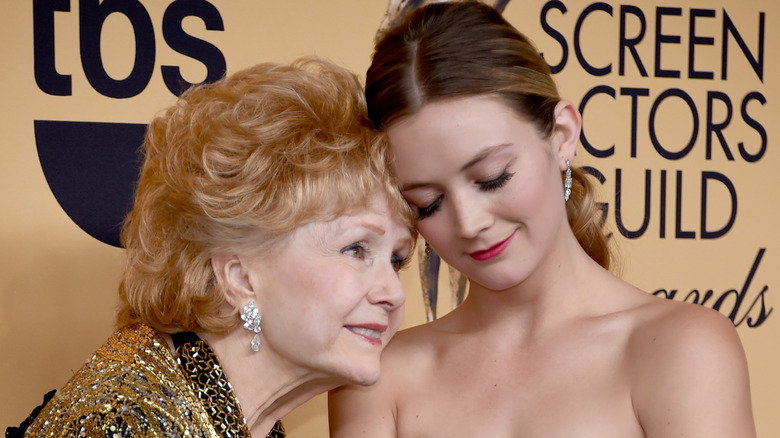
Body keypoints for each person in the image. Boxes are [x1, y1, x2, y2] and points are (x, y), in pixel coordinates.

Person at [328, 2, 756, 437]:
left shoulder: (679, 348)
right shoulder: (377, 376)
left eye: (493, 178)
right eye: (428, 203)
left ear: (562, 136)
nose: (469, 223)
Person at [12, 57, 415, 437]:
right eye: (356, 249)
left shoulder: (220, 407)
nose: (394, 294)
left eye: (397, 260)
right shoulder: (125, 421)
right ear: (239, 277)